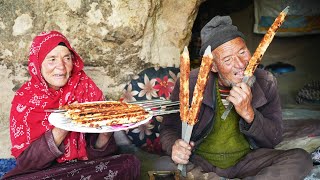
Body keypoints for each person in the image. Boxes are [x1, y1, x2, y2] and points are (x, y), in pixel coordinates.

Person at [156, 16, 313, 179]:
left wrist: (249, 114)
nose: (240, 64)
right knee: (162, 166)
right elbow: (169, 128)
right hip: (201, 160)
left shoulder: (266, 81)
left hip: (248, 160)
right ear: (214, 67)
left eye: (242, 52)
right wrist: (174, 146)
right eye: (227, 59)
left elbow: (273, 138)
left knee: (301, 158)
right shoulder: (190, 82)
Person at [3, 31, 140, 180]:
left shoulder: (84, 86)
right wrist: (64, 125)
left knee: (129, 163)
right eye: (52, 59)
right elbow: (26, 163)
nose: (61, 67)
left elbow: (101, 155)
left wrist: (106, 133)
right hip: (45, 173)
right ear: (37, 64)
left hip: (83, 168)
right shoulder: (25, 99)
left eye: (66, 58)